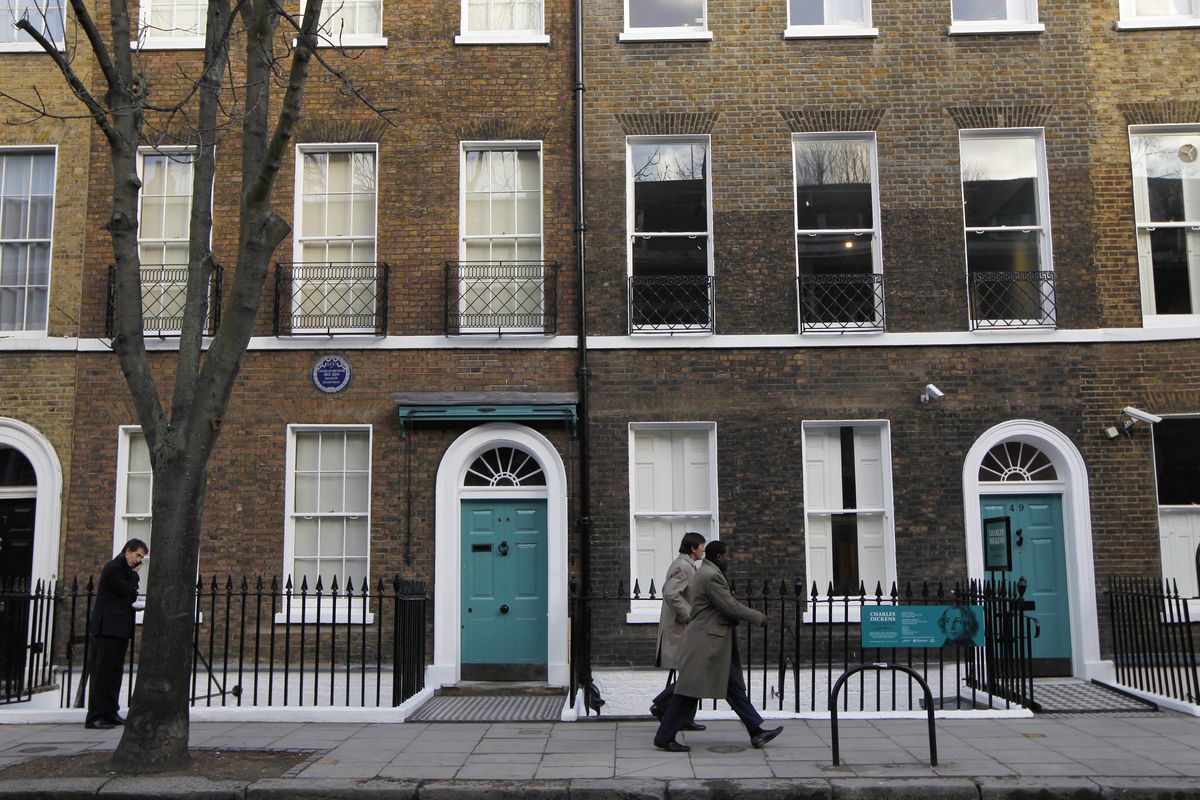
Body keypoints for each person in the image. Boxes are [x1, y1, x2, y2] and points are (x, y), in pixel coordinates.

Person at [653, 540, 783, 752]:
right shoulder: (711, 576)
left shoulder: (706, 572)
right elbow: (729, 606)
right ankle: (664, 736)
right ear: (718, 557)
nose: (729, 559)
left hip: (713, 644)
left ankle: (757, 732)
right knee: (688, 691)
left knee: (733, 688)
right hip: (706, 644)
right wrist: (759, 617)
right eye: (726, 555)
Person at [85, 538, 148, 729]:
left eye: (142, 557)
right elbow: (127, 591)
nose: (138, 560)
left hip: (119, 628)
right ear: (127, 551)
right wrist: (135, 575)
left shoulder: (124, 571)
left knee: (114, 673)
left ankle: (110, 712)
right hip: (107, 629)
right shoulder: (113, 568)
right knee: (102, 674)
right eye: (137, 555)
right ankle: (95, 716)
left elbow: (130, 594)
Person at [649, 531, 706, 732]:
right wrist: (689, 615)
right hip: (681, 630)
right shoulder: (683, 566)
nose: (703, 551)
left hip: (683, 630)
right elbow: (670, 593)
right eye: (701, 547)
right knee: (692, 675)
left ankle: (685, 718)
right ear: (693, 548)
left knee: (692, 675)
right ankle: (661, 705)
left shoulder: (686, 565)